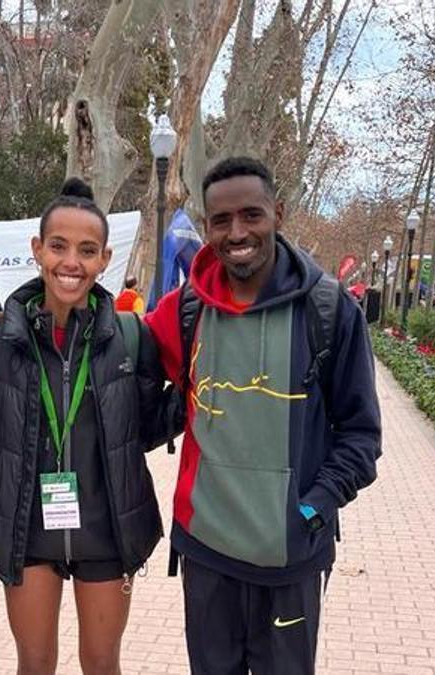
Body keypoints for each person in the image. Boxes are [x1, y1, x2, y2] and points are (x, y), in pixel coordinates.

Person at [145, 157, 381, 674]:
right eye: (221, 220)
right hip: (206, 552)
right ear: (206, 227)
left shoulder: (330, 310)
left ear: (278, 212)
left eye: (251, 215)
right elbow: (109, 358)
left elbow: (362, 437)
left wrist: (311, 510)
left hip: (290, 558)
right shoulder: (185, 310)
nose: (237, 232)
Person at [0, 178, 174, 675]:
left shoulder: (130, 336)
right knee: (35, 664)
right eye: (58, 247)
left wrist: (199, 399)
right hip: (28, 530)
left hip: (108, 530)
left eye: (87, 251)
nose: (71, 263)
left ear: (104, 259)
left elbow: (144, 427)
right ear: (38, 249)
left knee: (102, 664)